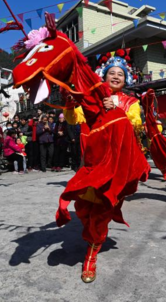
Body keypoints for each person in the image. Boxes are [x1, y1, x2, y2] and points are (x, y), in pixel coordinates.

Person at [62, 50, 146, 283]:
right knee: (82, 208)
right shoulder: (91, 98)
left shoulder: (131, 102)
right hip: (91, 162)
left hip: (116, 163)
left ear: (126, 79)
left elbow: (135, 125)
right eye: (112, 73)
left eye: (121, 74)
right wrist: (69, 101)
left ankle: (91, 255)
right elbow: (73, 119)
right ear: (104, 76)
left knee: (100, 211)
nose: (116, 76)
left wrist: (115, 107)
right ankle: (92, 235)